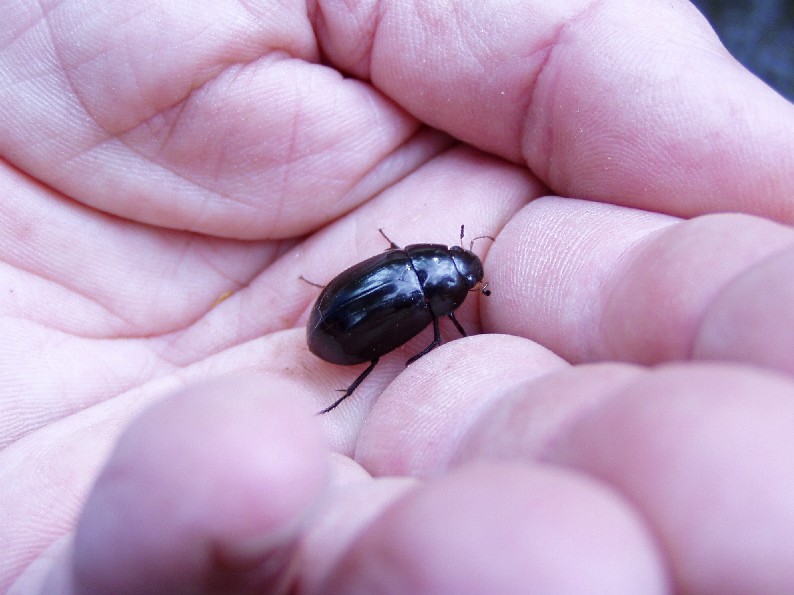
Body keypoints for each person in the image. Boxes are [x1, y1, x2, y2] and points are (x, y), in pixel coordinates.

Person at [2, 1, 793, 592]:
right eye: (464, 272)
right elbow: (392, 310)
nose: (465, 278)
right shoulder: (432, 296)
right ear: (446, 276)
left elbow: (379, 295)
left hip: (344, 314)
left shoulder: (421, 274)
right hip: (343, 322)